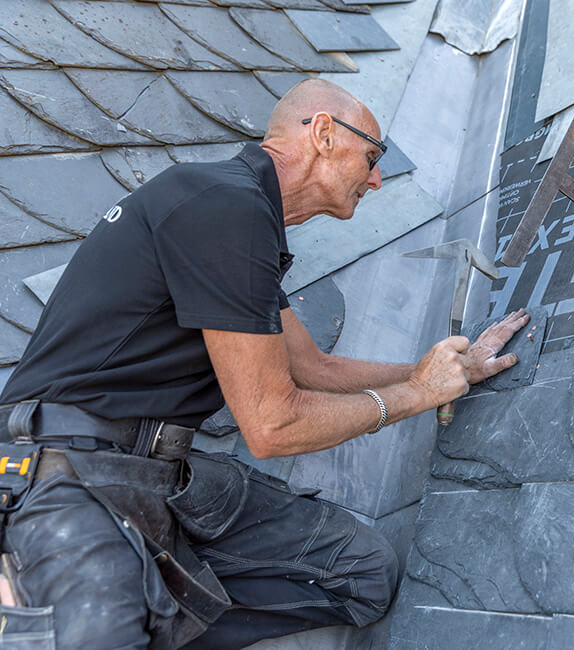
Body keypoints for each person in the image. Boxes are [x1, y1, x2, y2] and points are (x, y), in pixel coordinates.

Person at [0, 79, 528, 648]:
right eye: (372, 158)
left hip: (159, 475)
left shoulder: (237, 216)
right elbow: (273, 425)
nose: (377, 178)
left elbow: (313, 369)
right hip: (63, 471)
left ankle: (159, 609)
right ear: (324, 133)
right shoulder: (223, 205)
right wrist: (419, 396)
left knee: (362, 574)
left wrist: (449, 372)